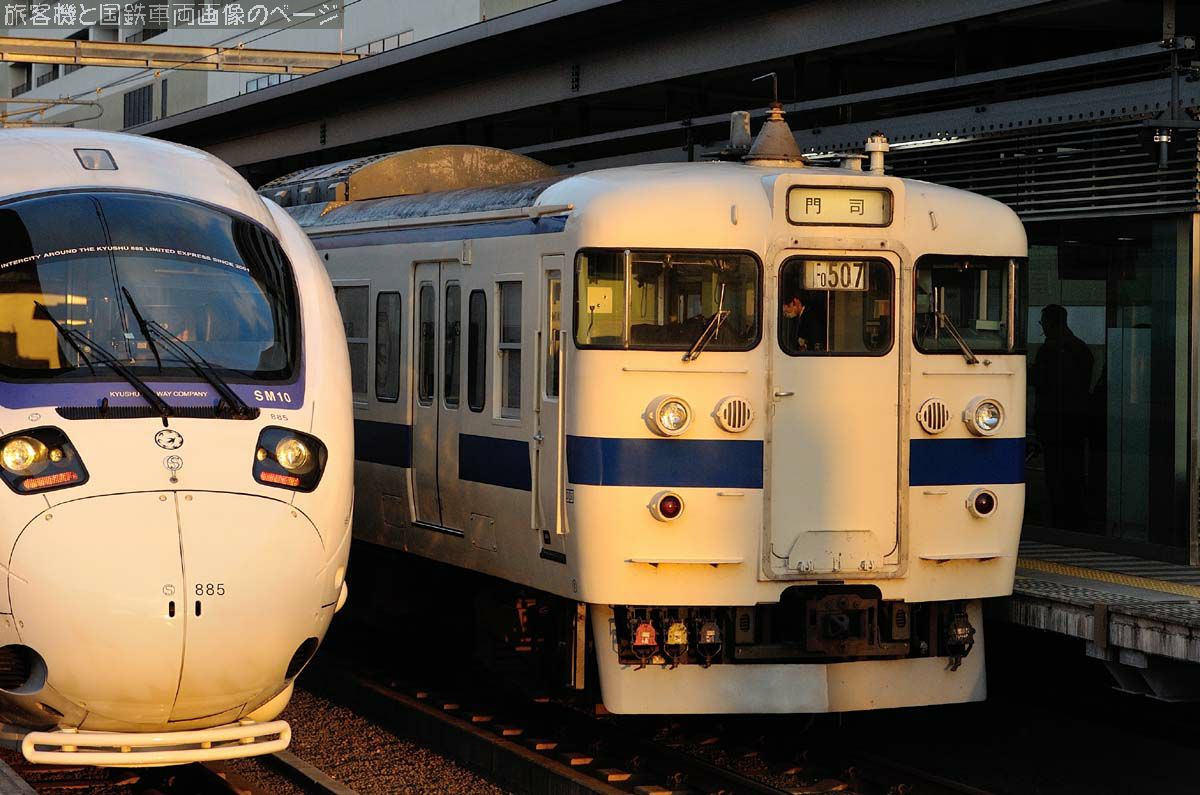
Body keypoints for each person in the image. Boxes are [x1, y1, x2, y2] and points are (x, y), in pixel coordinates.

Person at [1030, 304, 1093, 531]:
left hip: (1053, 421)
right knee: (1074, 474)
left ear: (1050, 323)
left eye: (1043, 323)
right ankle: (1077, 519)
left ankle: (1059, 522)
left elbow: (1039, 380)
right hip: (1076, 422)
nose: (1043, 328)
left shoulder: (1049, 351)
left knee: (1055, 476)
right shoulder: (1082, 349)